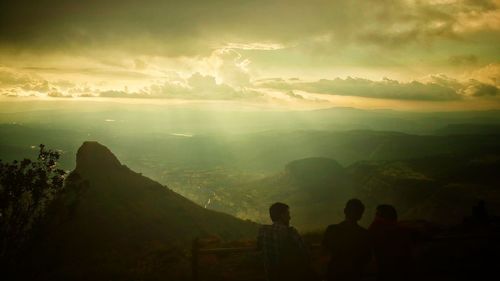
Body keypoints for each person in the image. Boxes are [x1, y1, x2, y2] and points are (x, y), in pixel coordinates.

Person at [257, 202, 316, 281]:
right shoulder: (291, 232)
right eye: (287, 214)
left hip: (272, 277)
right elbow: (306, 254)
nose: (289, 217)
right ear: (282, 216)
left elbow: (259, 248)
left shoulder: (263, 232)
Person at [322, 199, 371, 281]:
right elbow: (367, 258)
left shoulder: (331, 230)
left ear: (345, 211)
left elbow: (324, 252)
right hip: (354, 275)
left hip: (334, 274)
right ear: (360, 215)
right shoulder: (364, 234)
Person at [369, 204, 414, 281]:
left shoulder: (376, 226)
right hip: (402, 273)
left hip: (385, 272)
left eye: (377, 214)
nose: (375, 217)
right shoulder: (404, 230)